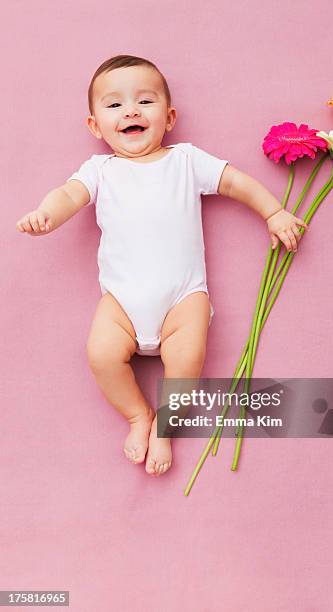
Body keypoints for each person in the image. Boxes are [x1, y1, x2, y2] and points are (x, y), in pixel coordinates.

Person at [16, 55, 308, 477]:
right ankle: (138, 415)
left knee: (187, 359)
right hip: (122, 303)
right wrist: (46, 213)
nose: (131, 110)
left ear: (169, 117)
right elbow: (67, 195)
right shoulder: (100, 171)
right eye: (114, 105)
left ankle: (166, 428)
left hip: (181, 298)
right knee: (100, 353)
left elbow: (235, 181)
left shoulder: (186, 161)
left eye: (145, 101)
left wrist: (273, 211)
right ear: (95, 126)